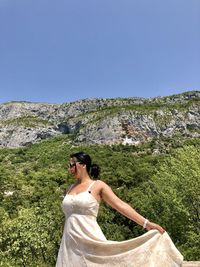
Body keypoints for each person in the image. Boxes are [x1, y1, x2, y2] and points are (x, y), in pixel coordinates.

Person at [56, 151, 183, 267]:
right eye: (69, 166)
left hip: (90, 240)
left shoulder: (98, 185)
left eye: (72, 165)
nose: (69, 169)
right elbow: (67, 218)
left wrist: (146, 224)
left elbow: (120, 205)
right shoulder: (69, 188)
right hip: (69, 244)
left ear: (82, 165)